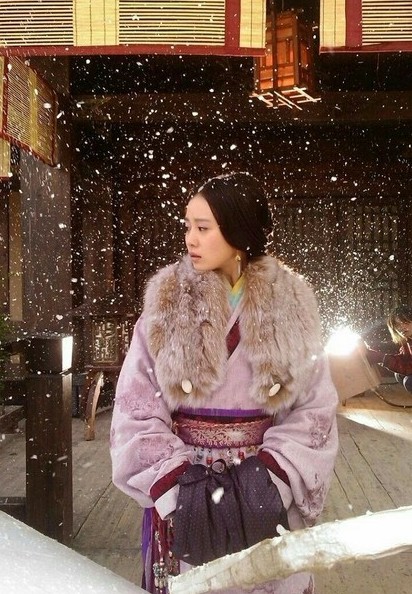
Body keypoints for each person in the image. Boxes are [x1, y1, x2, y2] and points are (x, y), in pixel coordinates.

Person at [110, 172, 339, 594]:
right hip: (185, 485)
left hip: (264, 485)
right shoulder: (166, 306)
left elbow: (314, 410)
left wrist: (269, 479)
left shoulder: (291, 307)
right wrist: (178, 485)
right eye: (187, 227)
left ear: (239, 232)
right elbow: (135, 406)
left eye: (203, 228)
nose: (190, 240)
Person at [365, 304, 412, 393]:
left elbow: (409, 368)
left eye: (406, 322)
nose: (401, 327)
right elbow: (405, 359)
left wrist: (382, 358)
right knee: (399, 375)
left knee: (410, 381)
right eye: (397, 325)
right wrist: (377, 355)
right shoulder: (407, 341)